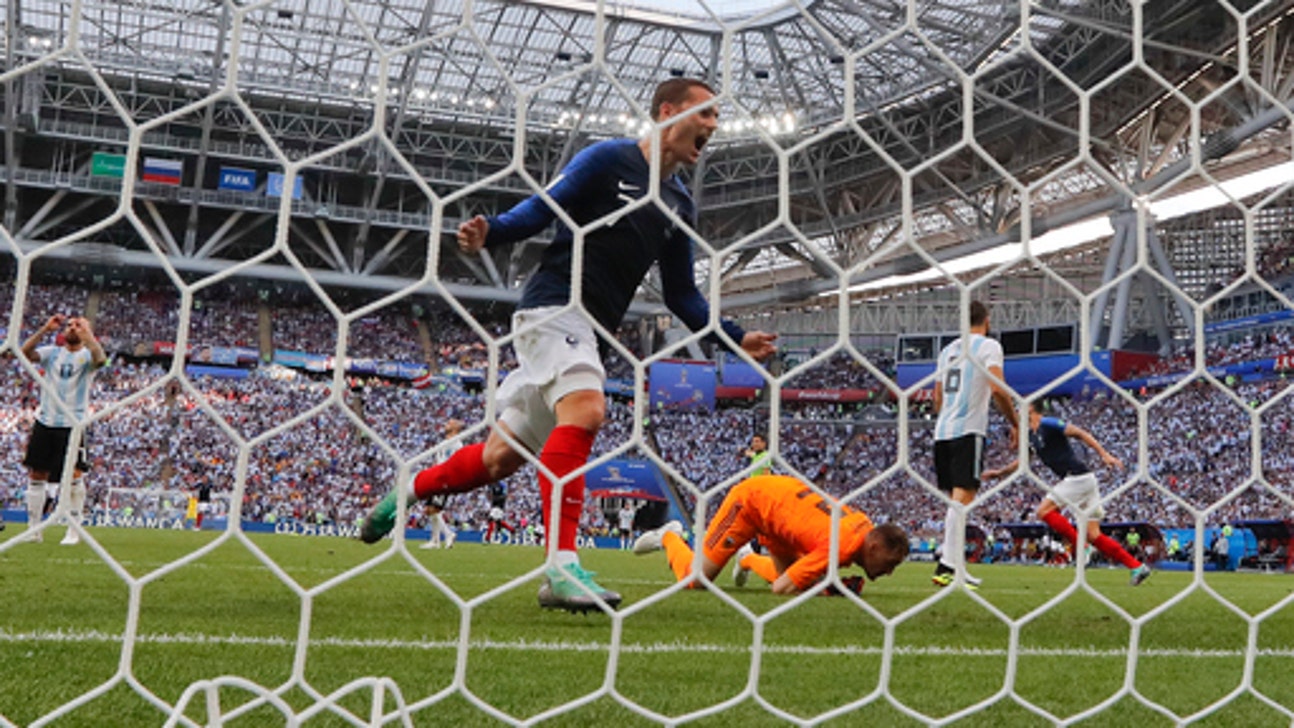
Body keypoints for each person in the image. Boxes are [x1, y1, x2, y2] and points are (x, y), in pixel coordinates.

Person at [359, 77, 778, 612]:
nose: (714, 127)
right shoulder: (609, 161)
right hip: (553, 307)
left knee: (497, 460)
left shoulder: (678, 203)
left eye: (718, 119)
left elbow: (683, 296)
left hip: (591, 333)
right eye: (705, 115)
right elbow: (545, 206)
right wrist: (496, 231)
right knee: (587, 409)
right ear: (667, 112)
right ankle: (561, 568)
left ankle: (408, 490)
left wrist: (736, 338)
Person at [633, 475, 908, 595]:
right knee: (695, 580)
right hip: (752, 503)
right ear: (872, 547)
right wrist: (826, 587)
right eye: (890, 563)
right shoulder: (842, 546)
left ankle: (747, 559)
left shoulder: (864, 526)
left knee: (792, 580)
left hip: (782, 515)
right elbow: (781, 590)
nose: (890, 572)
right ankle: (669, 537)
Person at [981, 400, 1150, 586]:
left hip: (1077, 477)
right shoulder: (1031, 435)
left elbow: (1080, 433)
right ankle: (1137, 567)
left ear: (1031, 408)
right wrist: (999, 473)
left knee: (1043, 512)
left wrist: (1104, 454)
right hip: (1086, 481)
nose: (1017, 407)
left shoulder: (1049, 424)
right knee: (1094, 535)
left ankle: (1081, 546)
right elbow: (1022, 462)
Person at [931, 300, 1018, 589]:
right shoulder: (988, 346)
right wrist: (1016, 423)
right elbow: (997, 388)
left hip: (942, 431)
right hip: (967, 430)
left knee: (958, 504)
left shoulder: (947, 351)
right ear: (987, 320)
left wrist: (948, 415)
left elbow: (937, 397)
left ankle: (956, 567)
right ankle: (946, 565)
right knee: (961, 501)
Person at [21, 314, 108, 545]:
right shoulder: (52, 353)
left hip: (73, 423)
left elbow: (101, 360)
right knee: (37, 474)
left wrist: (88, 334)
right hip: (45, 420)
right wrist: (44, 329)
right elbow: (25, 352)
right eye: (69, 325)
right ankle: (33, 529)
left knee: (74, 475)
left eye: (77, 325)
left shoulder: (88, 356)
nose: (72, 328)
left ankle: (73, 530)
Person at [420, 420, 463, 550]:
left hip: (444, 479)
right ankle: (436, 540)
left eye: (451, 423)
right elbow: (438, 460)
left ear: (456, 428)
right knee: (430, 509)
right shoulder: (444, 443)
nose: (447, 424)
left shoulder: (457, 444)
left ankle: (447, 535)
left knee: (433, 509)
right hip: (436, 476)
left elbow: (456, 463)